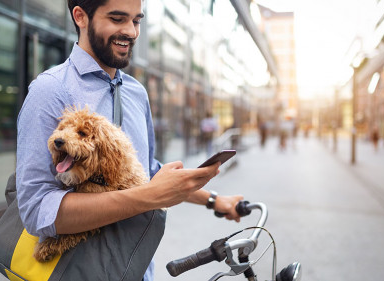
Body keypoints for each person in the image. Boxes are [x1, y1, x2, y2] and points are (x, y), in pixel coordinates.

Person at [16, 1, 243, 280]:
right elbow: (36, 209)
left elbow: (145, 174)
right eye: (117, 18)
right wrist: (147, 198)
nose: (131, 32)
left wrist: (214, 200)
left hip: (137, 270)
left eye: (136, 21)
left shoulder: (137, 92)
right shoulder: (50, 89)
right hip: (76, 272)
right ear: (81, 17)